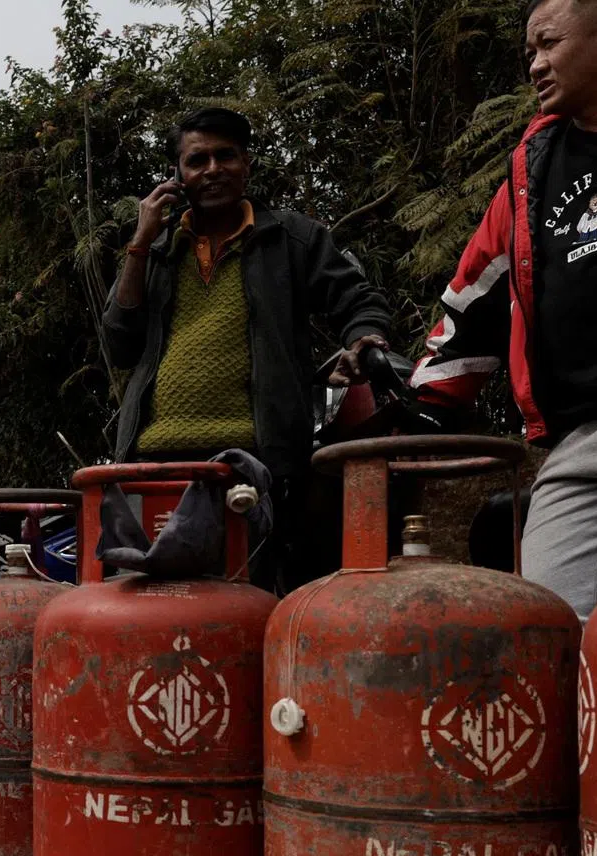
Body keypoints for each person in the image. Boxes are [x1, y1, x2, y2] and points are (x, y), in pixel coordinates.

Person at [410, 0, 597, 621]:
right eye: (529, 52)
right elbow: (472, 298)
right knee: (547, 627)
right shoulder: (532, 166)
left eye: (547, 45)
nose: (535, 65)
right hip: (575, 433)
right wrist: (420, 408)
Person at [103, 107, 394, 589]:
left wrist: (362, 339)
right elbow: (118, 342)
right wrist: (140, 240)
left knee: (246, 600)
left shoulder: (290, 238)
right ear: (179, 175)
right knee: (156, 603)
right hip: (153, 463)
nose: (213, 169)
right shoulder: (158, 251)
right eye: (198, 160)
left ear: (247, 165)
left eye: (226, 156)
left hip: (255, 462)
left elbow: (357, 298)